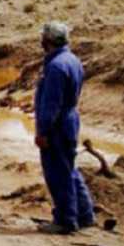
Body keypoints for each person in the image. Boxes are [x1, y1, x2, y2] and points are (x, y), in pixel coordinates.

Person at [34, 22, 95, 234]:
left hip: (58, 126)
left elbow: (51, 104)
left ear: (48, 40)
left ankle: (65, 220)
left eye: (42, 36)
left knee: (57, 173)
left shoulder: (56, 66)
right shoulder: (72, 60)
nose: (40, 40)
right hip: (69, 121)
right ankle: (85, 215)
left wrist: (43, 132)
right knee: (69, 169)